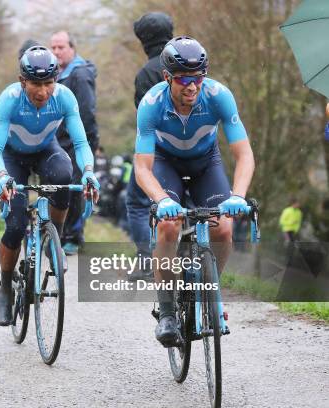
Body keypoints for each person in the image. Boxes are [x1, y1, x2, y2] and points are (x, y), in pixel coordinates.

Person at [134, 36, 255, 347]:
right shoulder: (151, 104)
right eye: (185, 79)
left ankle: (209, 287)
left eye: (198, 78)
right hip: (165, 164)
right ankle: (167, 311)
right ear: (167, 78)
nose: (192, 86)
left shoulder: (219, 96)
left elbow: (244, 154)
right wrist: (160, 200)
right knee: (168, 226)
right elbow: (143, 167)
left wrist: (238, 195)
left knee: (223, 227)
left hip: (206, 165)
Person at [0, 45, 99, 326]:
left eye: (49, 83)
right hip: (12, 157)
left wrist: (88, 172)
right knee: (14, 223)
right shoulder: (10, 99)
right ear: (23, 80)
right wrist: (2, 177)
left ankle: (54, 239)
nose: (42, 91)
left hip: (46, 150)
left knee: (64, 173)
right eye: (36, 84)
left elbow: (81, 143)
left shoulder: (64, 98)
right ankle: (6, 287)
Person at [126, 12, 174, 281]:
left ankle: (145, 259)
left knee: (136, 201)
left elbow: (144, 117)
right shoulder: (187, 62)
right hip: (191, 148)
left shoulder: (147, 73)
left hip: (156, 150)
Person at [51, 31, 98, 255]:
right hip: (60, 141)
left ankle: (74, 237)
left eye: (61, 47)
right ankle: (59, 233)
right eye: (54, 48)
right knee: (60, 185)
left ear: (72, 48)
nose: (57, 52)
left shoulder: (79, 74)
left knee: (76, 189)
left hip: (78, 141)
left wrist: (85, 143)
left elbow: (87, 112)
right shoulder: (58, 73)